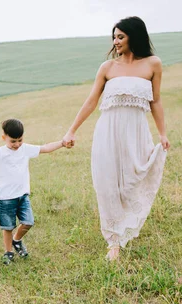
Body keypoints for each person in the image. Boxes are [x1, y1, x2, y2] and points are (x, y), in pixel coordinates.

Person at [62, 16, 170, 261]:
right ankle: (113, 240)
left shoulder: (153, 64)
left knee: (133, 178)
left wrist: (162, 134)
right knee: (107, 182)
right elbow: (91, 101)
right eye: (114, 36)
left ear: (135, 36)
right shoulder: (107, 68)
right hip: (108, 132)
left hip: (137, 131)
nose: (116, 41)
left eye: (120, 36)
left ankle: (129, 223)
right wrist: (71, 130)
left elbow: (156, 101)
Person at [0, 118, 66, 264]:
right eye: (13, 141)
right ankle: (8, 253)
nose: (17, 144)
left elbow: (45, 148)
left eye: (20, 140)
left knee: (28, 222)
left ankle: (17, 240)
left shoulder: (25, 149)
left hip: (23, 195)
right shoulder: (0, 153)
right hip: (6, 198)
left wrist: (62, 143)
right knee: (7, 227)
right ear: (4, 138)